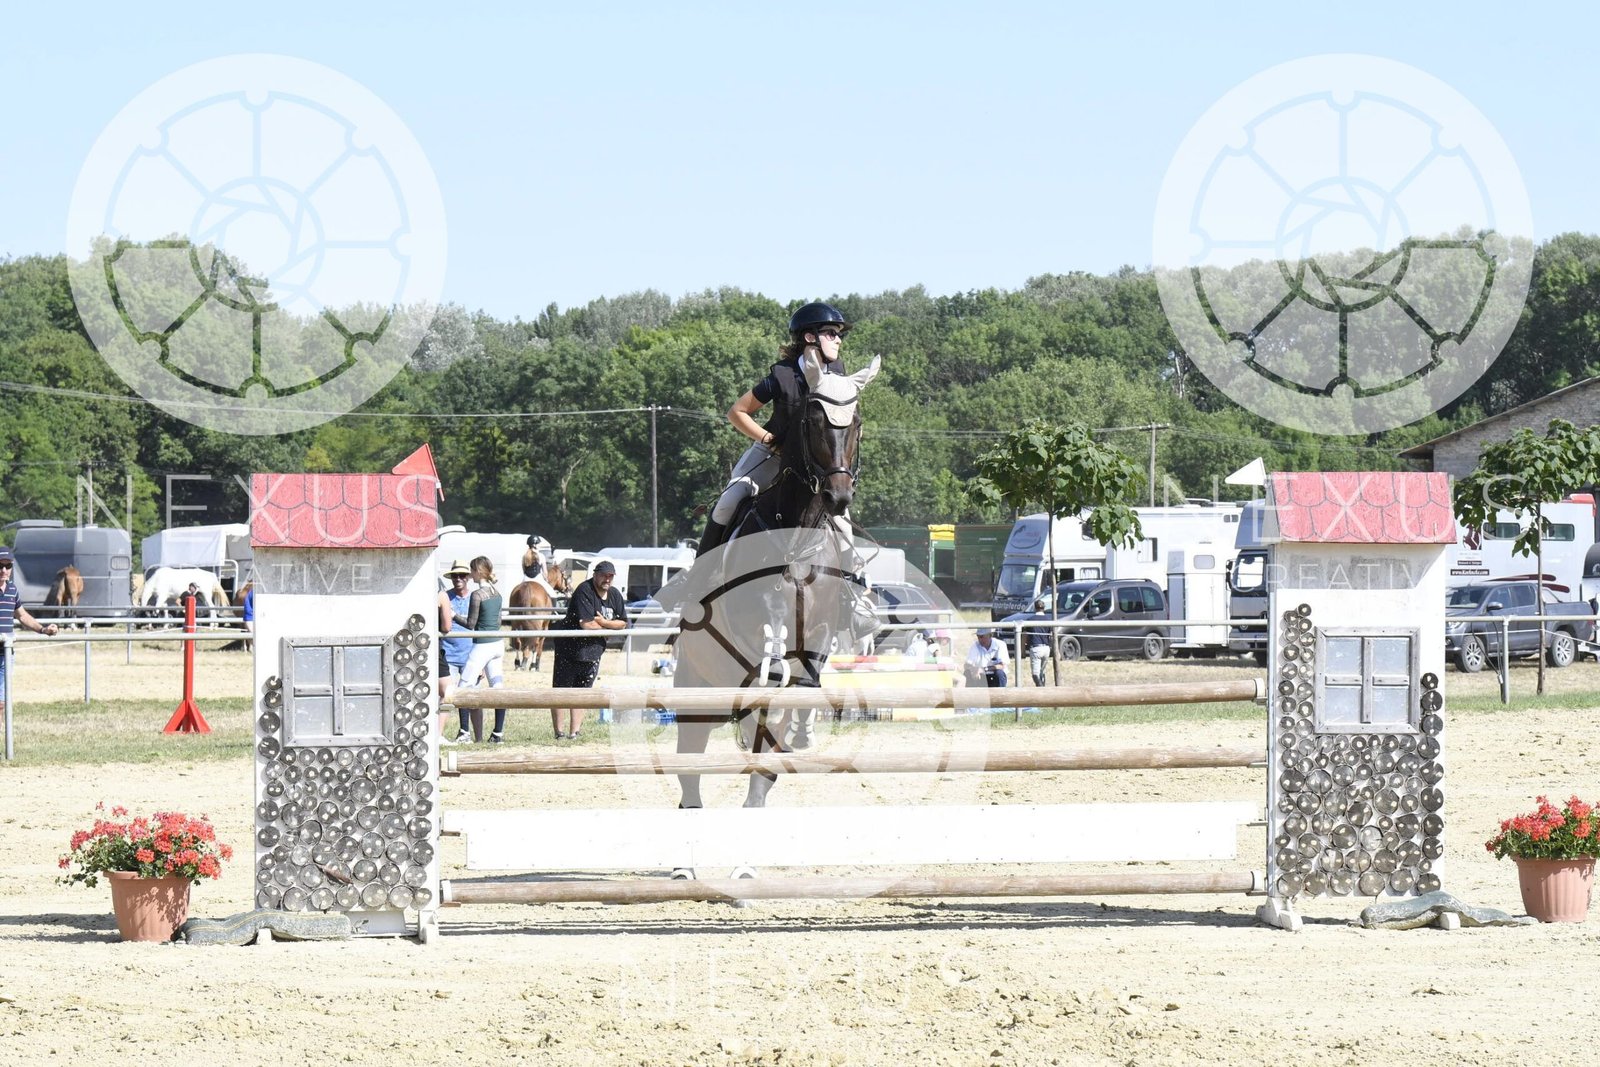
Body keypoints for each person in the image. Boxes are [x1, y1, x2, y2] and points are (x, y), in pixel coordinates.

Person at [698, 301, 853, 557]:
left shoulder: (837, 372)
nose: (838, 340)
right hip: (773, 453)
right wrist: (769, 439)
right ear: (810, 337)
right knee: (728, 501)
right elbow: (737, 412)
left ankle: (853, 578)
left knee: (844, 522)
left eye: (839, 335)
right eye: (831, 333)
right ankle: (701, 574)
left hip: (817, 462)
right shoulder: (782, 376)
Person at [551, 559, 627, 740]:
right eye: (603, 575)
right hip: (569, 648)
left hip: (593, 651)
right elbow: (587, 624)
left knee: (583, 691)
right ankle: (559, 733)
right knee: (561, 691)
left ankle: (574, 732)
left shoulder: (615, 595)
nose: (607, 579)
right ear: (595, 575)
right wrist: (608, 627)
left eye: (610, 576)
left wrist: (603, 622)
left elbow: (623, 623)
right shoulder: (584, 590)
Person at [456, 556, 508, 744]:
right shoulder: (497, 594)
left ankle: (464, 732)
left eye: (471, 571)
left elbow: (470, 624)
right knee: (497, 687)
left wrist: (453, 615)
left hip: (483, 645)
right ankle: (498, 733)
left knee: (463, 686)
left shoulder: (477, 595)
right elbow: (499, 621)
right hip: (498, 643)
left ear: (478, 571)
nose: (470, 574)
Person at [0, 546, 59, 706]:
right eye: (0, 566)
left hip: (6, 653)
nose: (4, 570)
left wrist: (43, 629)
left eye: (8, 566)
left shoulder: (12, 590)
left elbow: (22, 615)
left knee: (1, 703)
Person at [436, 560, 477, 742]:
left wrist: (480, 659)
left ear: (468, 577)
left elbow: (480, 627)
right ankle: (439, 734)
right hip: (449, 653)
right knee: (447, 695)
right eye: (455, 575)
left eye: (462, 575)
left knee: (474, 697)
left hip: (470, 653)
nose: (458, 578)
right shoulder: (445, 596)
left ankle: (477, 736)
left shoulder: (475, 598)